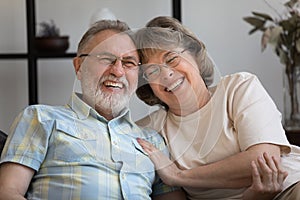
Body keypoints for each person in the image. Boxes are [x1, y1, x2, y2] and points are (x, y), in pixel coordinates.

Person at [0, 19, 186, 200]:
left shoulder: (153, 141)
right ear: (79, 67)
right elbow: (7, 192)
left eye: (128, 62)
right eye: (106, 59)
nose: (118, 71)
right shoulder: (41, 119)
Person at [134, 16, 300, 199]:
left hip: (288, 189)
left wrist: (179, 176)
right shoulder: (149, 131)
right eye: (152, 71)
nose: (166, 74)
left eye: (172, 59)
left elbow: (264, 161)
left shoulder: (238, 88)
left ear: (194, 55)